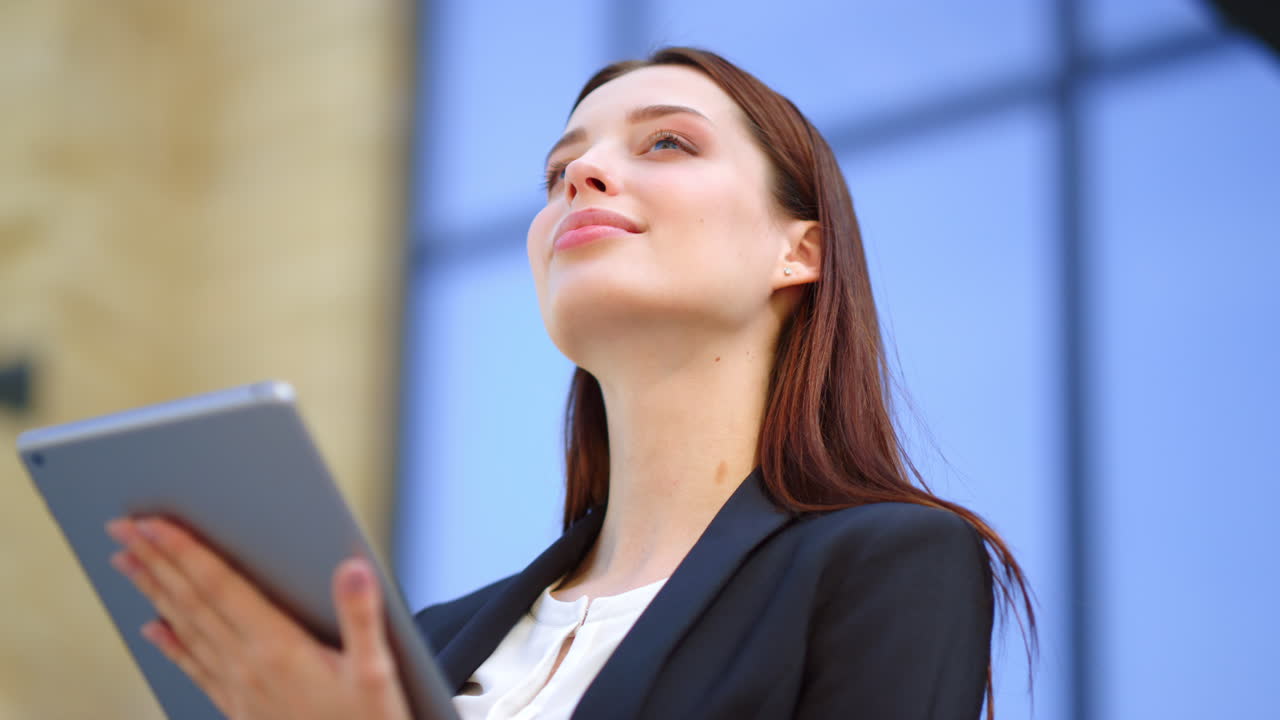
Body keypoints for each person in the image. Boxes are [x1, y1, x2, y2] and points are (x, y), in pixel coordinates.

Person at [104, 47, 1035, 720]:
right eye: (558, 171)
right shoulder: (425, 644)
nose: (582, 175)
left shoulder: (890, 565)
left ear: (799, 252)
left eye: (666, 143)